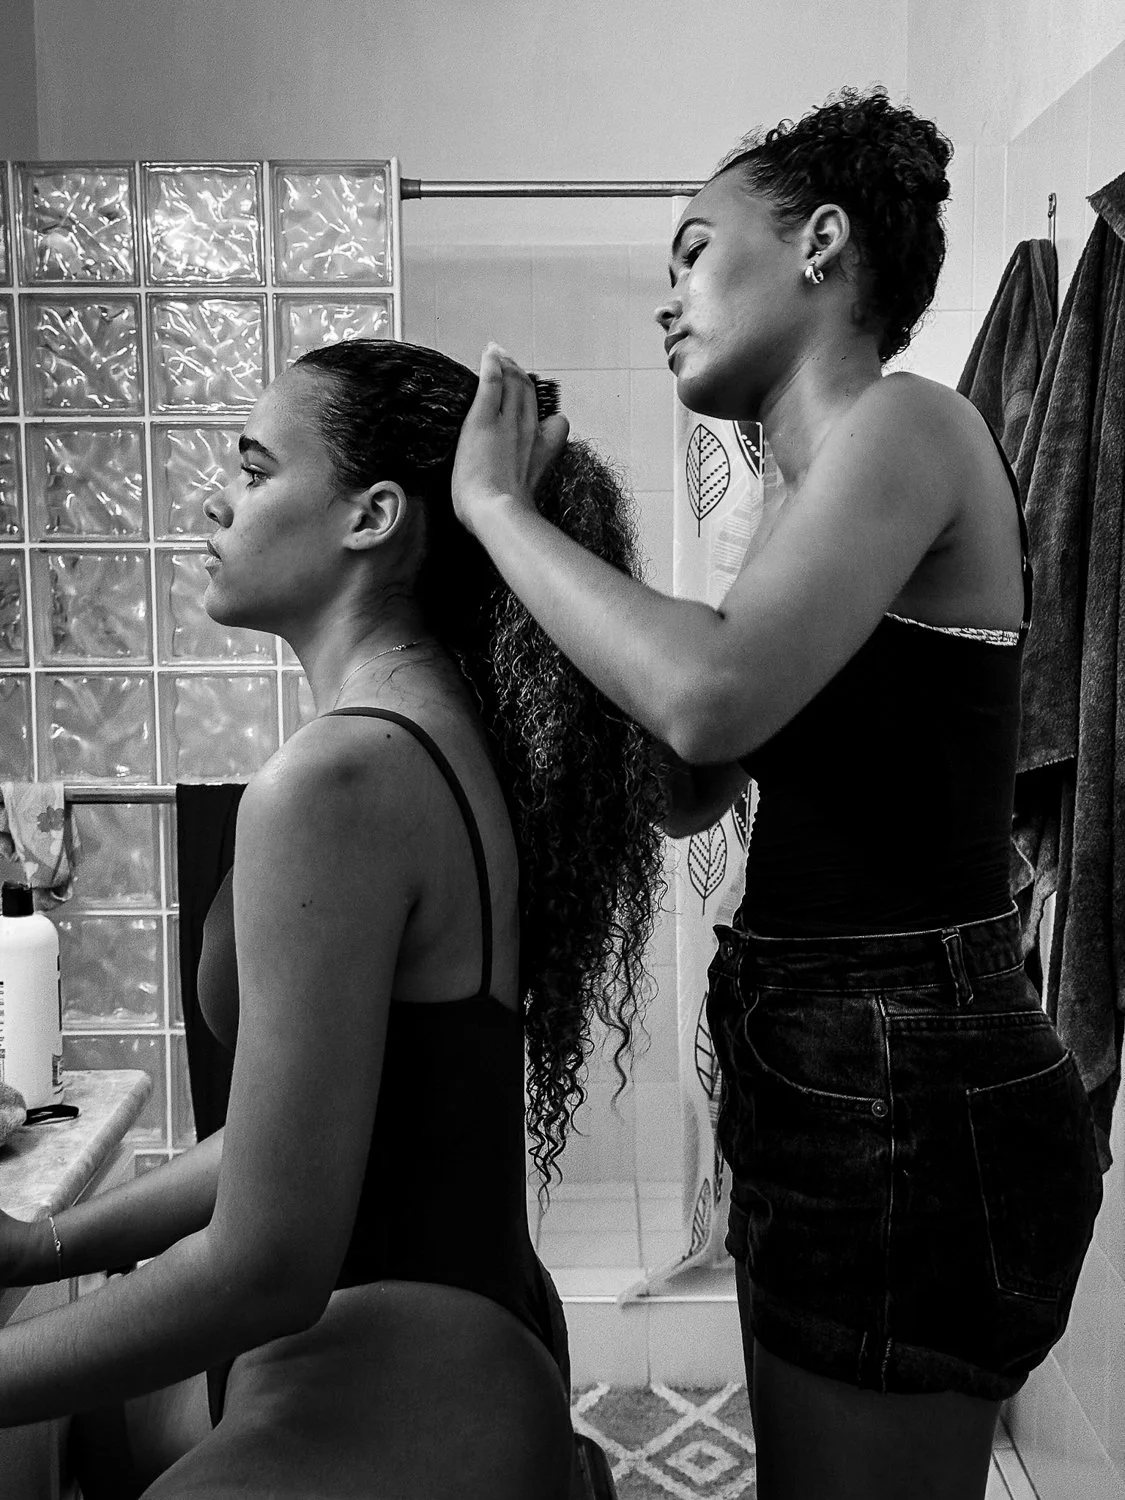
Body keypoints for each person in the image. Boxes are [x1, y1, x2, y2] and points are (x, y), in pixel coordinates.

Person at [450, 87, 1104, 1500]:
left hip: (903, 1070)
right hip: (820, 1056)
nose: (664, 299)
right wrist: (574, 548)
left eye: (690, 251)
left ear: (819, 243)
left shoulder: (908, 428)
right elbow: (689, 786)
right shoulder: (799, 505)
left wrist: (497, 513)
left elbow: (709, 696)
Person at [0, 338, 664, 1499]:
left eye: (255, 469)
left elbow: (266, 1270)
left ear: (371, 516)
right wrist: (51, 1245)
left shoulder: (337, 781)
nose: (216, 496)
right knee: (86, 1434)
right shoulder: (429, 735)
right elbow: (298, 1138)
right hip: (467, 1328)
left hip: (402, 1377)